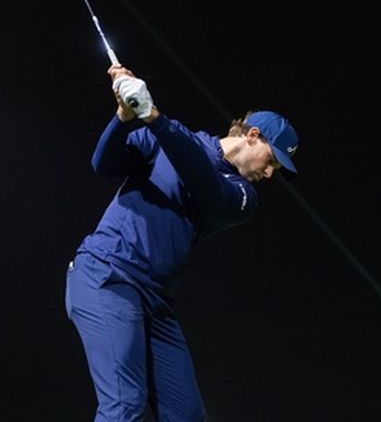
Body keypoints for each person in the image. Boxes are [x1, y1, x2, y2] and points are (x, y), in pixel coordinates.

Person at [65, 64, 299, 421]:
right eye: (272, 161)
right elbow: (103, 163)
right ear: (253, 136)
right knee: (125, 404)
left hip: (153, 301)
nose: (269, 174)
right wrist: (124, 116)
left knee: (186, 414)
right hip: (107, 276)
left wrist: (154, 116)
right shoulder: (168, 140)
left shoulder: (243, 197)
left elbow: (203, 181)